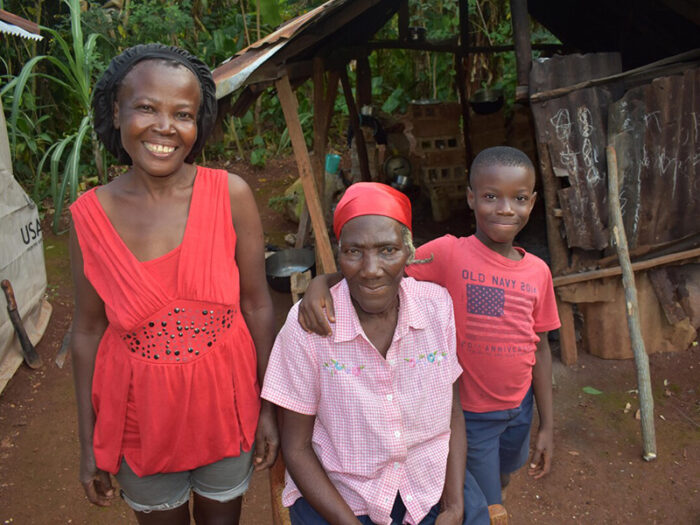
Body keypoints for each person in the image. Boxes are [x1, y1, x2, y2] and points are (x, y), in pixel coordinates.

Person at [69, 44, 278, 524]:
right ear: (116, 112)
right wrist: (89, 445)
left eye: (182, 113)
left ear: (198, 125)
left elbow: (258, 306)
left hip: (227, 410)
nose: (165, 127)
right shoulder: (90, 217)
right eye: (146, 107)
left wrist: (269, 408)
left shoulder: (230, 196)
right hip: (141, 422)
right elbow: (85, 332)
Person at [298, 146, 561, 513]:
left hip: (520, 409)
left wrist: (546, 423)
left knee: (503, 475)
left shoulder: (539, 272)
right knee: (485, 504)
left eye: (518, 198)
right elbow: (381, 267)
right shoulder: (449, 254)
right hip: (470, 413)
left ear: (532, 202)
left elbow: (542, 347)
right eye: (490, 197)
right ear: (470, 198)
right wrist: (322, 283)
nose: (504, 208)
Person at [262, 183, 487, 525]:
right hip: (343, 498)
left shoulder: (437, 307)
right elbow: (296, 448)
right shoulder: (309, 327)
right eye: (354, 252)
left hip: (430, 484)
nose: (370, 269)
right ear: (339, 253)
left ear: (408, 252)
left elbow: (451, 412)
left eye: (387, 250)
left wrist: (454, 507)